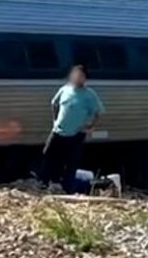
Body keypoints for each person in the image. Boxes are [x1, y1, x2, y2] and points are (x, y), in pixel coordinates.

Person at [42, 65, 103, 193]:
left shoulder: (89, 95)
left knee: (71, 162)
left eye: (80, 76)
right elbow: (54, 103)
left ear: (85, 78)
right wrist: (55, 121)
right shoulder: (64, 89)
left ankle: (68, 188)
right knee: (48, 154)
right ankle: (53, 182)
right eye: (75, 75)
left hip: (76, 134)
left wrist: (91, 127)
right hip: (58, 131)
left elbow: (98, 112)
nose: (77, 77)